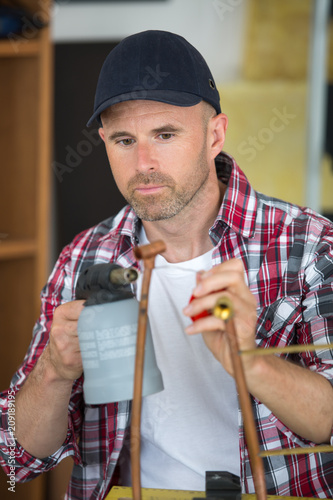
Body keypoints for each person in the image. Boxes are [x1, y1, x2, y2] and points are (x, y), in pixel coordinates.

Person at [1, 30, 333, 500]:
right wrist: (54, 370)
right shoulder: (84, 258)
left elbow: (329, 421)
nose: (144, 162)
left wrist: (252, 365)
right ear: (103, 143)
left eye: (165, 134)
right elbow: (17, 455)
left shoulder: (310, 246)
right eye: (123, 140)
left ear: (214, 134)